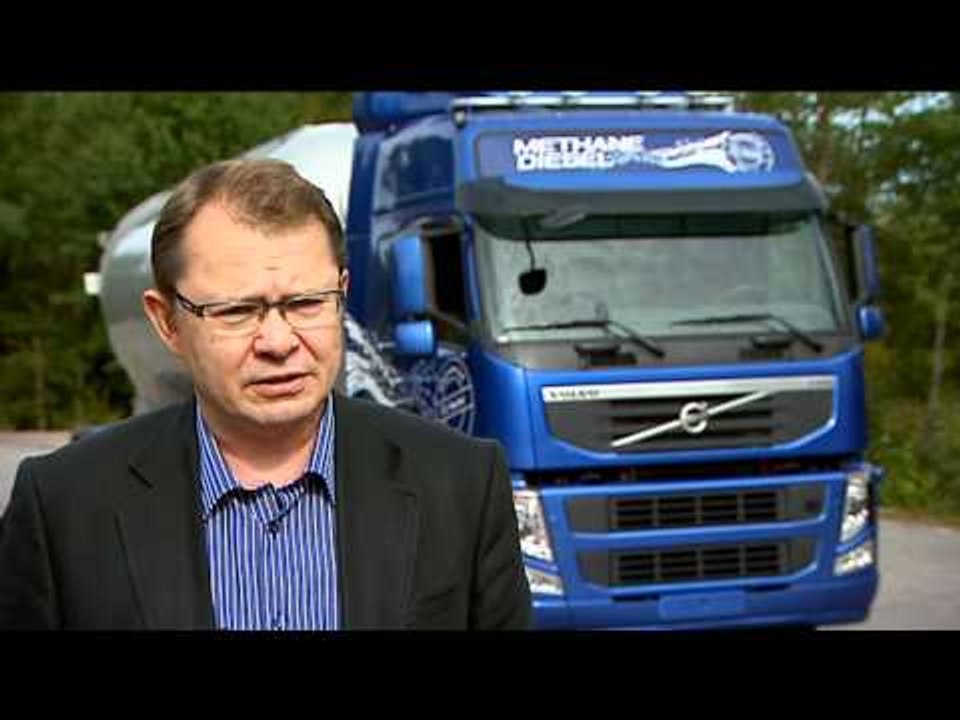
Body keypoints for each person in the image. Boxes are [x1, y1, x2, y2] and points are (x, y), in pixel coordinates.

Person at [0, 159, 532, 630]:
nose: (278, 342)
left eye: (306, 303)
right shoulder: (65, 508)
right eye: (236, 311)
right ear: (167, 322)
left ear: (342, 295)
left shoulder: (460, 485)